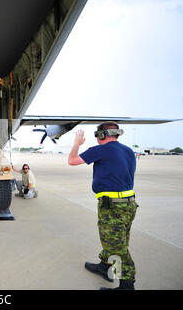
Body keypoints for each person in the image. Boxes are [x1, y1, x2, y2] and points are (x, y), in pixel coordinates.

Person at [68, 122, 138, 290]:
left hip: (112, 206)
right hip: (129, 204)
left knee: (116, 246)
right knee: (115, 239)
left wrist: (77, 143)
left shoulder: (100, 149)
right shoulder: (128, 151)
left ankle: (126, 285)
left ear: (101, 135)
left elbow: (71, 161)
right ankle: (104, 267)